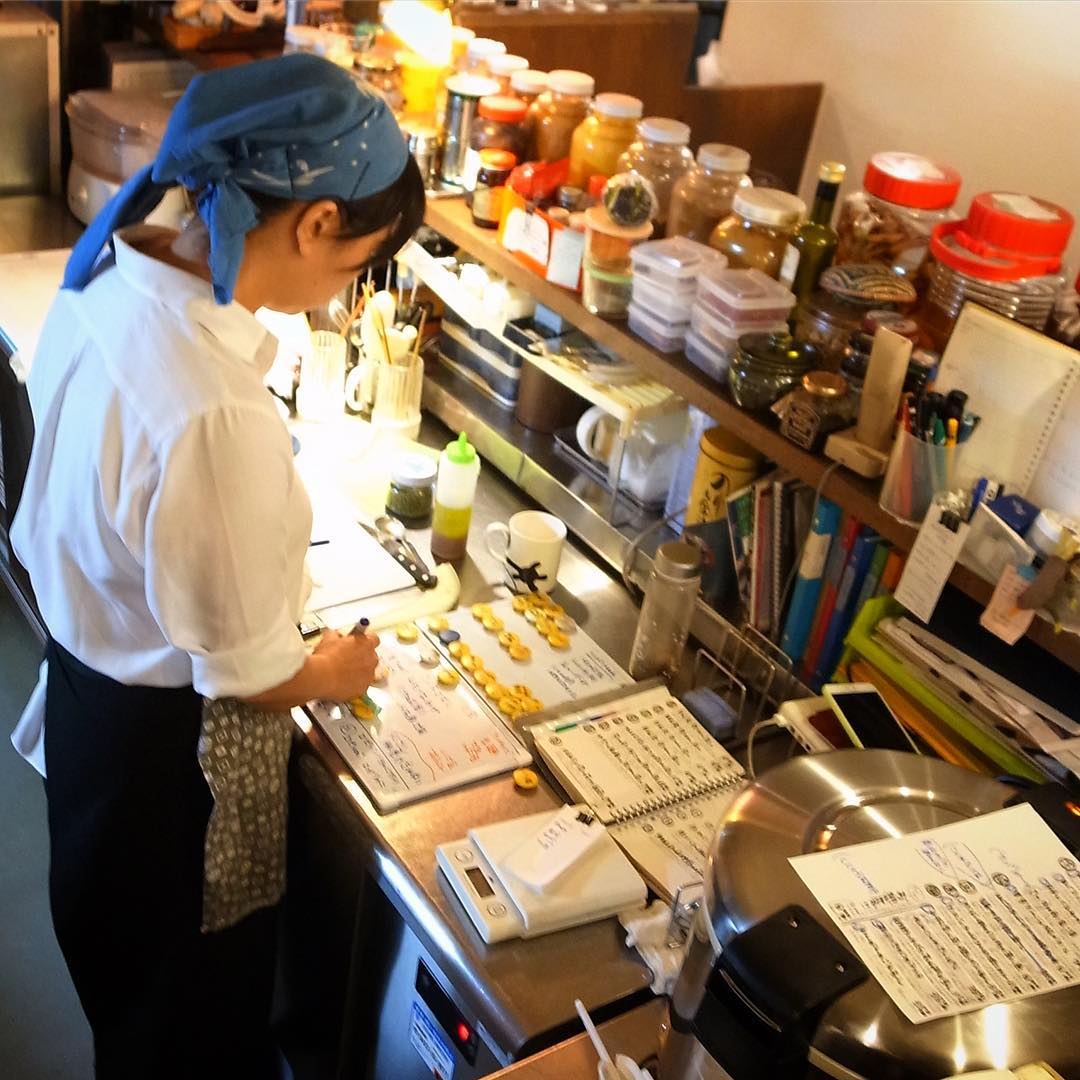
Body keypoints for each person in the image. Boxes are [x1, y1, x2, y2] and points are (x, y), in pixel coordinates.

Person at [9, 54, 425, 1078]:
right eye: (351, 267)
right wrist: (332, 669)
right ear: (315, 222)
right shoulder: (210, 409)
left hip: (91, 722)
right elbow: (244, 671)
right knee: (190, 1034)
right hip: (170, 778)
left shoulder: (106, 273)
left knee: (130, 1006)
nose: (338, 298)